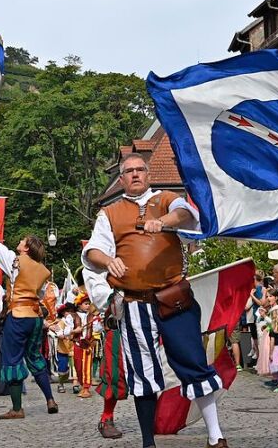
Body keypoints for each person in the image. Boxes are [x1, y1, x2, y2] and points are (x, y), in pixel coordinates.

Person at [83, 153, 226, 448]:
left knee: (192, 361)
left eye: (140, 170)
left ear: (148, 175)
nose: (135, 175)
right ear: (121, 179)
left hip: (173, 298)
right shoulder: (109, 213)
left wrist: (162, 223)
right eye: (129, 171)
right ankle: (148, 443)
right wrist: (109, 261)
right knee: (142, 373)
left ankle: (216, 436)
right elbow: (93, 252)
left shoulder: (166, 199)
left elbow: (185, 214)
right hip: (134, 303)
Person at [0, 214, 58, 419]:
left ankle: (17, 409)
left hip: (18, 316)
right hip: (34, 317)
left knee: (12, 360)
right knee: (35, 357)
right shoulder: (43, 270)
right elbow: (41, 295)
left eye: (23, 241)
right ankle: (50, 399)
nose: (19, 242)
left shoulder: (15, 261)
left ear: (26, 248)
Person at [83, 265, 127, 440]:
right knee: (114, 374)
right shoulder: (101, 264)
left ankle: (152, 418)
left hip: (145, 325)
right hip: (116, 328)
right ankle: (106, 418)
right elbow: (100, 292)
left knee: (150, 372)